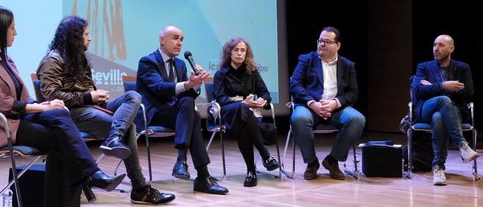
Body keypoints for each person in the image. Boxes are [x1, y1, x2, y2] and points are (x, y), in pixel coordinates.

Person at [0, 5, 125, 206]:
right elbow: (1, 103)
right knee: (60, 139)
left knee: (60, 114)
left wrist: (48, 104)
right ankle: (90, 175)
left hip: (13, 119)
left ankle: (90, 175)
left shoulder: (4, 59)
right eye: (12, 28)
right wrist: (41, 108)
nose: (16, 32)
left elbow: (22, 98)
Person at [36, 16, 175, 204]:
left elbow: (86, 90)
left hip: (91, 106)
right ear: (74, 37)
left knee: (133, 96)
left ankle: (114, 137)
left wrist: (96, 95)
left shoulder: (79, 58)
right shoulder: (52, 60)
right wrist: (89, 97)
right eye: (86, 34)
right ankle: (140, 188)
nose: (90, 38)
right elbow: (51, 97)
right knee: (130, 127)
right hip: (71, 113)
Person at [136, 25, 229, 195]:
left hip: (177, 113)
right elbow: (159, 87)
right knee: (191, 114)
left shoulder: (180, 64)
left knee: (189, 107)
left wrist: (195, 85)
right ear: (162, 40)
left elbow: (186, 97)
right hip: (154, 114)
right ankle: (201, 176)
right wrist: (187, 84)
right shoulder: (147, 61)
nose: (179, 43)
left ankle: (182, 163)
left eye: (181, 39)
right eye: (175, 38)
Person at [289, 26, 366, 180]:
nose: (322, 44)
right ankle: (312, 163)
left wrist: (335, 103)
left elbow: (353, 92)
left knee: (357, 119)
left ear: (337, 45)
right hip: (309, 106)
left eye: (327, 41)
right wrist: (312, 103)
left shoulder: (347, 65)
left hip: (337, 108)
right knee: (298, 118)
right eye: (320, 41)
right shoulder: (306, 59)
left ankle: (332, 160)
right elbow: (295, 84)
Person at [411, 34, 480, 186]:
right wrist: (443, 86)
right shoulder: (424, 67)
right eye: (435, 44)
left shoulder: (462, 68)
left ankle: (438, 168)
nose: (436, 48)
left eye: (441, 45)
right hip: (426, 109)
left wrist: (432, 87)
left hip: (454, 112)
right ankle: (462, 145)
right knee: (443, 100)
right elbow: (417, 92)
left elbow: (468, 92)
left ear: (451, 48)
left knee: (439, 117)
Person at [211, 37, 280, 187]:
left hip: (248, 115)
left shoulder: (252, 72)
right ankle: (265, 155)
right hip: (227, 113)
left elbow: (265, 93)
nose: (240, 53)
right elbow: (220, 99)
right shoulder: (221, 74)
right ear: (229, 53)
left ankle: (251, 171)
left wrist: (263, 101)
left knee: (244, 122)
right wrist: (242, 103)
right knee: (242, 109)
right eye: (236, 50)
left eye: (243, 50)